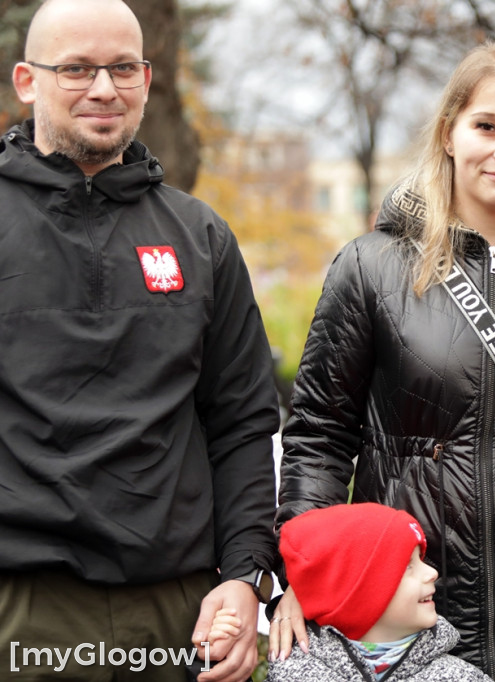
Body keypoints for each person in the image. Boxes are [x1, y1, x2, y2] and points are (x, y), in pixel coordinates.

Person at [271, 43, 495, 682]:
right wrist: (308, 569)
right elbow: (319, 438)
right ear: (449, 133)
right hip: (404, 616)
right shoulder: (371, 267)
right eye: (487, 126)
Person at [0, 1, 280, 680]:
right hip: (22, 606)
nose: (104, 89)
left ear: (148, 80)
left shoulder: (201, 236)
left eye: (123, 68)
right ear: (27, 81)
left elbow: (243, 424)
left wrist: (246, 578)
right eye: (77, 69)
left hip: (178, 610)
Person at [265, 503, 493, 681]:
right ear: (358, 598)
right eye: (407, 566)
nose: (432, 573)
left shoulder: (460, 676)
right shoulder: (291, 674)